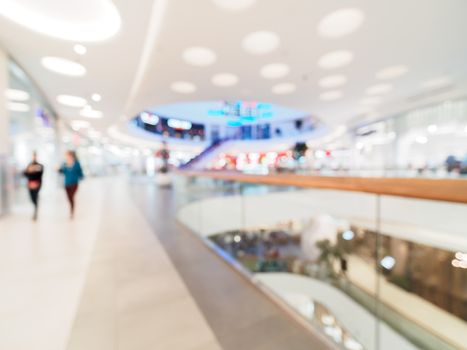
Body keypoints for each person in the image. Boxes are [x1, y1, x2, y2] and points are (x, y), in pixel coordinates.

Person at [59, 151, 84, 218]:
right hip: (67, 183)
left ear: (71, 156)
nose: (67, 157)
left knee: (72, 196)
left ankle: (72, 211)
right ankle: (71, 207)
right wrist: (58, 170)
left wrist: (81, 176)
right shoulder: (64, 164)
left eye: (68, 155)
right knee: (69, 198)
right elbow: (62, 171)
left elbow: (80, 172)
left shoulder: (76, 163)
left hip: (74, 183)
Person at [23, 152, 44, 221]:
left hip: (37, 184)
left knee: (35, 196)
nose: (34, 157)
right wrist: (29, 171)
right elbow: (24, 173)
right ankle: (35, 205)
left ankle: (35, 210)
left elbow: (40, 174)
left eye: (35, 156)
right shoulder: (29, 165)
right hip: (30, 184)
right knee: (31, 198)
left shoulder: (39, 165)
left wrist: (32, 171)